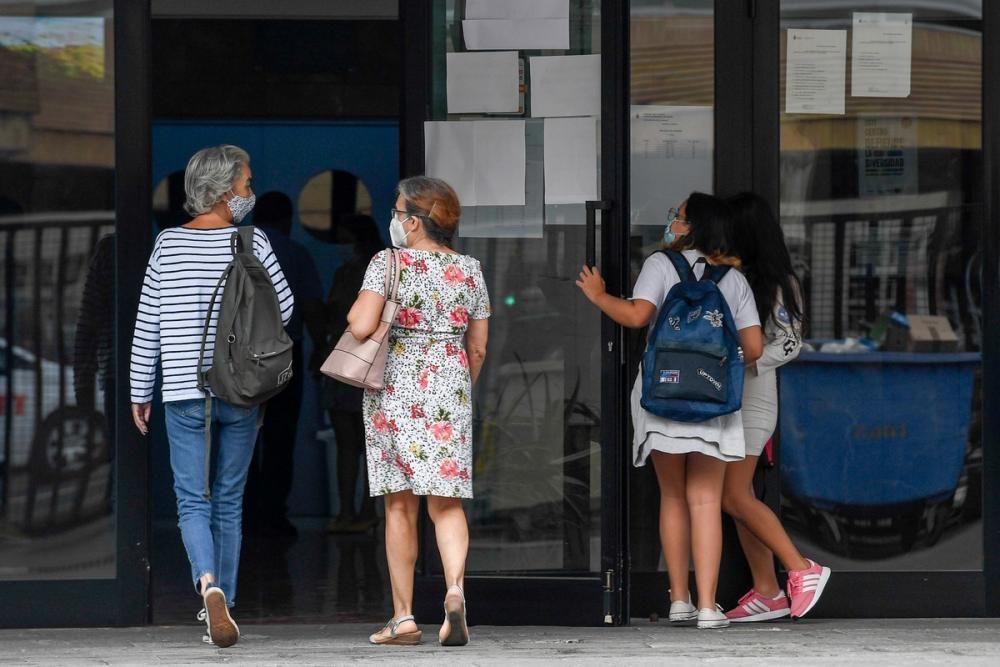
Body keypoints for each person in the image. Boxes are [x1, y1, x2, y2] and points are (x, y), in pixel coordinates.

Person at [129, 145, 294, 648]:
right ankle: (228, 604)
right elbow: (283, 310)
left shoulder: (168, 245)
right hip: (241, 390)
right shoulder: (252, 240)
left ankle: (208, 584)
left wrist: (141, 389)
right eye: (246, 185)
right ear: (225, 192)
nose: (250, 193)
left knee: (190, 499)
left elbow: (148, 323)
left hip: (181, 390)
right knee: (229, 499)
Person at [576, 192, 763, 629]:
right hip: (714, 401)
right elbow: (753, 348)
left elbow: (638, 316)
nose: (672, 221)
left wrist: (599, 295)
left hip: (663, 396)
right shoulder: (733, 280)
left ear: (690, 227)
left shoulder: (661, 265)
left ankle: (678, 599)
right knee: (705, 499)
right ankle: (706, 607)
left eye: (677, 216)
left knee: (673, 496)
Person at [349, 176, 489, 647]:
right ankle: (454, 591)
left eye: (395, 210)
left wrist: (356, 315)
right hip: (450, 386)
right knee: (446, 503)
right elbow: (480, 347)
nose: (392, 218)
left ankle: (404, 618)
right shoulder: (469, 269)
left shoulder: (386, 263)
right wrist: (456, 391)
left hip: (395, 387)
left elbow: (363, 324)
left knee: (400, 505)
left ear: (411, 221)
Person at [721, 192, 830, 622]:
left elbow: (789, 343)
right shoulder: (735, 276)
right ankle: (767, 591)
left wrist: (743, 360)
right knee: (740, 495)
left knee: (733, 495)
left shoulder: (777, 281)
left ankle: (802, 568)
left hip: (753, 400)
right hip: (730, 399)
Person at [243, 191, 324, 539]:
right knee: (280, 435)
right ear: (288, 219)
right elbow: (311, 308)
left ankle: (244, 512)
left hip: (243, 358)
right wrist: (322, 349)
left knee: (241, 435)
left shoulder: (239, 249)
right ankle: (274, 514)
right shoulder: (297, 254)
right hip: (286, 354)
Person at [323, 214, 383, 533]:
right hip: (345, 364)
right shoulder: (344, 272)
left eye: (347, 239)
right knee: (351, 444)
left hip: (362, 365)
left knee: (359, 444)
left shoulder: (373, 275)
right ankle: (352, 511)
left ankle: (361, 510)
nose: (342, 247)